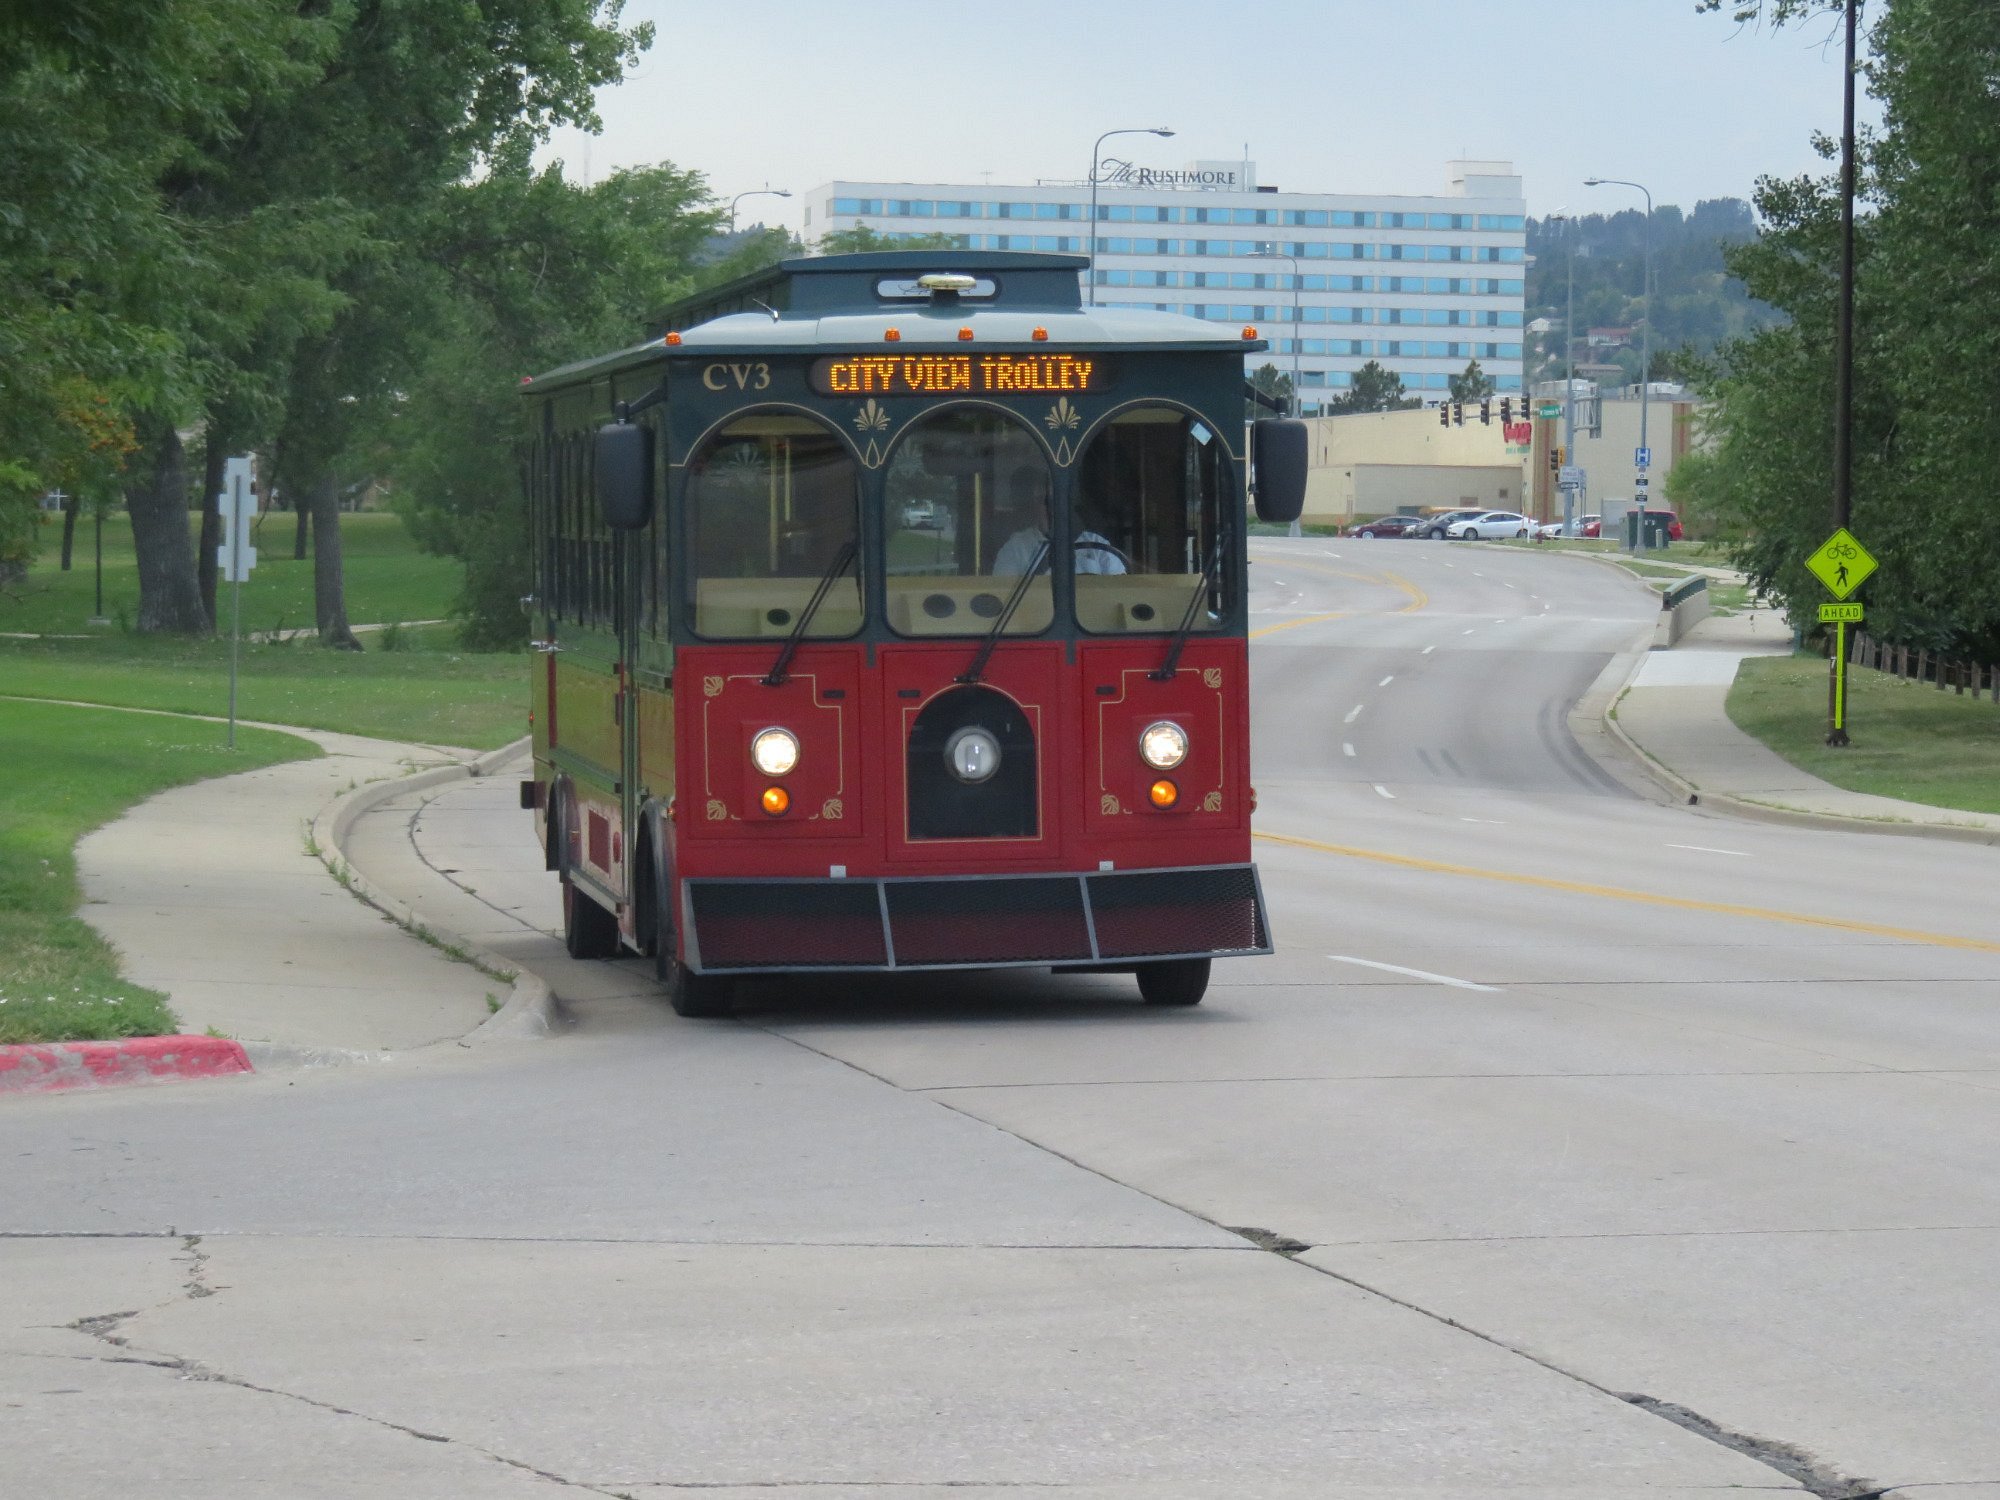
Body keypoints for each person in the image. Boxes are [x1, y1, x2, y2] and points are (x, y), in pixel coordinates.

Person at [992, 465, 1125, 576]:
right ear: (1034, 504)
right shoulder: (1016, 548)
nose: (1051, 508)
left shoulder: (1098, 545)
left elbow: (1120, 591)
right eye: (1044, 501)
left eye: (1057, 501)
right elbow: (1003, 597)